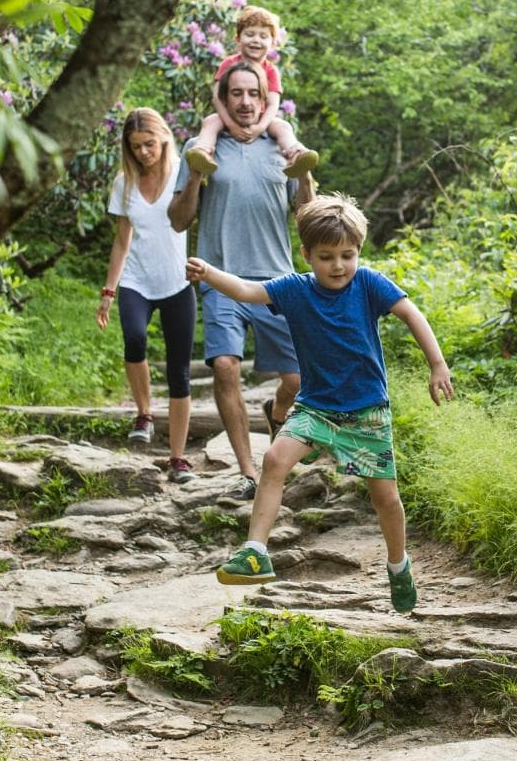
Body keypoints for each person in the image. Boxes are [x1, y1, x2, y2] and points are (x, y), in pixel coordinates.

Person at [185, 192, 454, 613]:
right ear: (307, 254)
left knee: (385, 498)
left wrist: (437, 365)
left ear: (358, 253)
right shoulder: (294, 289)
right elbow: (247, 290)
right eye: (327, 256)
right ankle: (255, 551)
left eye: (348, 255)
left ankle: (398, 565)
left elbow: (411, 313)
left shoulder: (368, 283)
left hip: (366, 411)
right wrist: (209, 273)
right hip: (315, 407)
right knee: (274, 460)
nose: (339, 266)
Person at [168, 62, 316, 499]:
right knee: (226, 366)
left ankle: (277, 412)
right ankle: (249, 471)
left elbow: (307, 217)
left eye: (254, 93)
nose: (246, 102)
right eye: (237, 93)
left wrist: (304, 177)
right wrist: (196, 175)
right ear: (224, 98)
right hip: (220, 275)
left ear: (265, 98)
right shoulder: (202, 147)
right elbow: (178, 220)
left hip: (276, 282)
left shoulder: (282, 146)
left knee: (297, 379)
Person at [96, 108, 196, 482]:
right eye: (136, 146)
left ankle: (179, 459)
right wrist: (109, 290)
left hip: (176, 283)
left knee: (180, 372)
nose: (143, 152)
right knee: (134, 339)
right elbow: (122, 240)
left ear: (164, 139)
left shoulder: (181, 178)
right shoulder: (125, 183)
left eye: (149, 144)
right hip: (136, 280)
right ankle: (144, 413)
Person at [184, 4, 319, 178]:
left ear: (272, 43)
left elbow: (272, 104)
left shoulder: (270, 71)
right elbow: (217, 98)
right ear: (238, 39)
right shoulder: (228, 64)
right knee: (210, 121)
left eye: (263, 36)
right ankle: (202, 152)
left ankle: (295, 154)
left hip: (262, 119)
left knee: (283, 126)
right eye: (250, 34)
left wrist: (259, 128)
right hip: (230, 116)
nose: (256, 40)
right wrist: (231, 126)